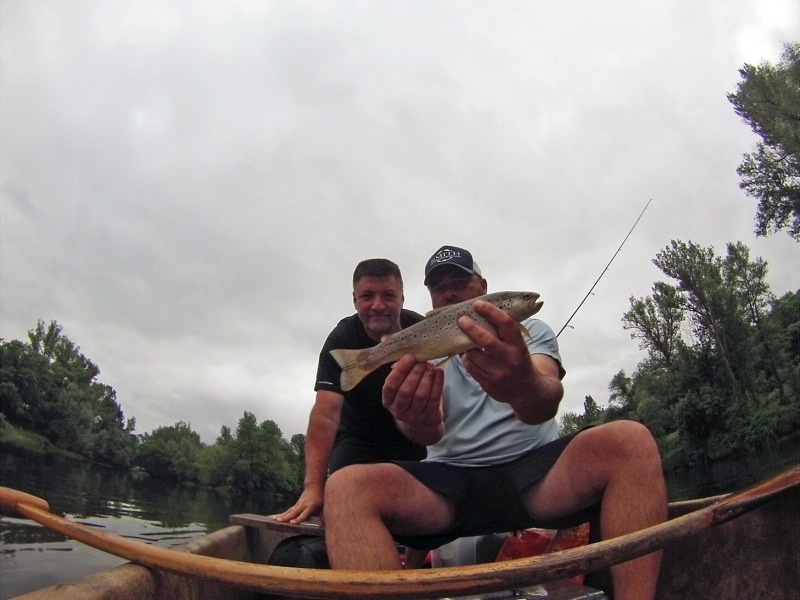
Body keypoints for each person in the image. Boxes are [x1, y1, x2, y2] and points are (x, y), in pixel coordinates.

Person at [323, 246, 667, 600]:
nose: (450, 292)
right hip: (448, 486)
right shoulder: (428, 349)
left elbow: (544, 401)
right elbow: (427, 432)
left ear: (483, 286)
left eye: (460, 281)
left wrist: (525, 386)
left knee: (631, 440)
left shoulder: (532, 330)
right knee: (344, 487)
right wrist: (414, 420)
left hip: (537, 477)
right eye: (440, 287)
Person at [275, 258, 426, 526]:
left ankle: (416, 562)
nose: (377, 305)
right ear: (355, 300)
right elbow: (326, 416)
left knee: (429, 505)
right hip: (357, 438)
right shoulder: (341, 339)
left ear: (402, 298)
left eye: (388, 295)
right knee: (335, 499)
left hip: (416, 438)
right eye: (367, 296)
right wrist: (313, 487)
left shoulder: (424, 329)